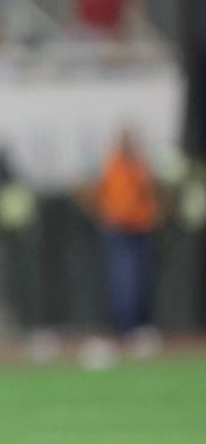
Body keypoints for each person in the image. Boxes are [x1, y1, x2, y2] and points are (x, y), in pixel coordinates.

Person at [81, 127, 163, 361]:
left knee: (141, 279)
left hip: (141, 228)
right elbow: (82, 185)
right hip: (119, 230)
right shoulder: (107, 162)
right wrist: (103, 212)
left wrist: (155, 212)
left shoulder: (142, 163)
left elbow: (151, 192)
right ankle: (125, 332)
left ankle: (140, 329)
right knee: (124, 280)